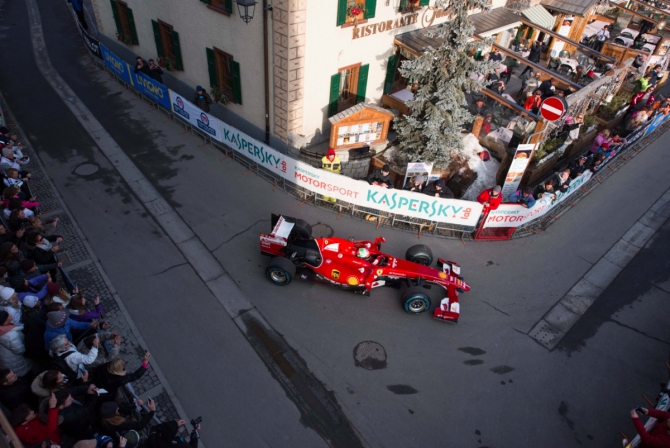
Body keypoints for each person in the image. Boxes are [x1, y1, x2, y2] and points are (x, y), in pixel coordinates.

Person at [0, 309, 33, 377]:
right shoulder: (11, 335)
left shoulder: (3, 331)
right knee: (24, 375)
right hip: (16, 361)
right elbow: (20, 350)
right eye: (9, 316)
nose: (11, 315)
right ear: (5, 321)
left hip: (5, 358)